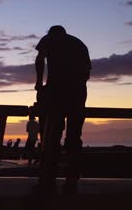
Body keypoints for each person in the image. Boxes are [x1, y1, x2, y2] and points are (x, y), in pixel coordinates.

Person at [34, 25, 91, 194]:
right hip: (78, 93)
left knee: (52, 132)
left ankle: (49, 173)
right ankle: (72, 173)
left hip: (56, 91)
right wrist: (77, 86)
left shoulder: (50, 38)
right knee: (74, 134)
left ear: (52, 33)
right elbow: (87, 72)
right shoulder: (79, 43)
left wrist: (39, 82)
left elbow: (40, 59)